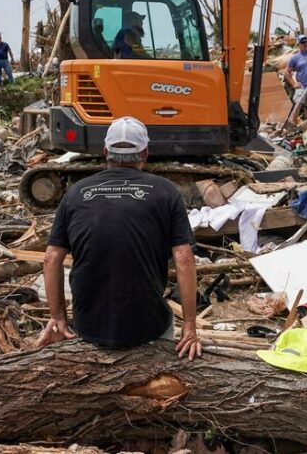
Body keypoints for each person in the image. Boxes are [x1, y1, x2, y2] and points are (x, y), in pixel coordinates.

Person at [38, 116, 202, 360]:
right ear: (145, 154)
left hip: (88, 328)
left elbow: (51, 258)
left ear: (106, 152)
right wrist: (190, 327)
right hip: (148, 328)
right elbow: (184, 258)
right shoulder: (166, 191)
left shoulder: (76, 192)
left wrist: (59, 317)